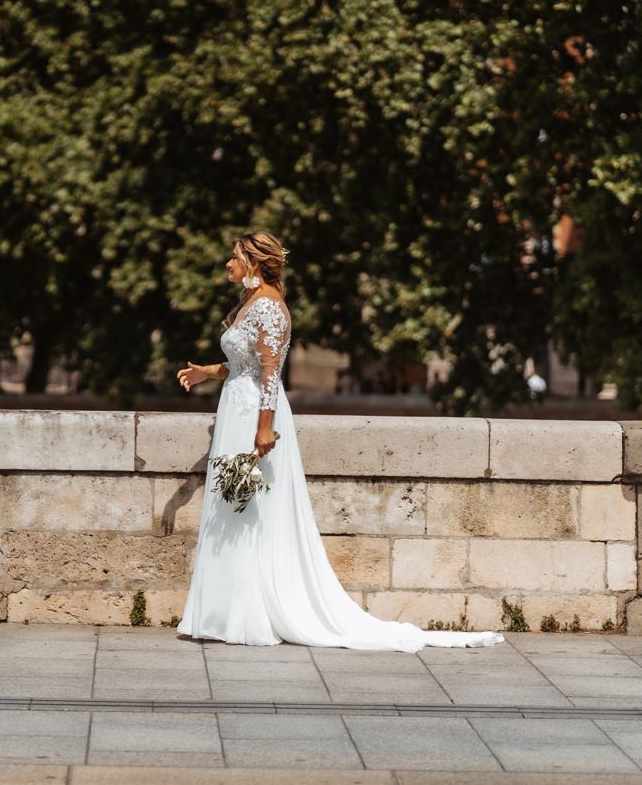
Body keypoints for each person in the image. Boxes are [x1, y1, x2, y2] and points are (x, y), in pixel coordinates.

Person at [174, 233, 503, 651]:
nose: (228, 263)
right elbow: (245, 364)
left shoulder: (270, 306)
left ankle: (248, 616)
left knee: (252, 509)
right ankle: (224, 612)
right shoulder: (250, 303)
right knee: (232, 506)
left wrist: (264, 428)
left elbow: (271, 375)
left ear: (253, 263)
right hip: (235, 410)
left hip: (254, 414)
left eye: (234, 257)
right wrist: (208, 371)